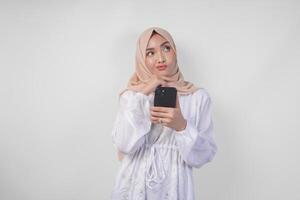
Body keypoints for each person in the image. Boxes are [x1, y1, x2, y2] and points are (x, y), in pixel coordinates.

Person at [110, 27, 218, 200]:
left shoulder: (197, 97)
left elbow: (204, 155)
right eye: (150, 53)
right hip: (133, 185)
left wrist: (182, 126)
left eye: (166, 48)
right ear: (141, 59)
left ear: (175, 52)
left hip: (174, 185)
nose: (160, 58)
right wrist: (144, 93)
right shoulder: (131, 97)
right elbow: (124, 145)